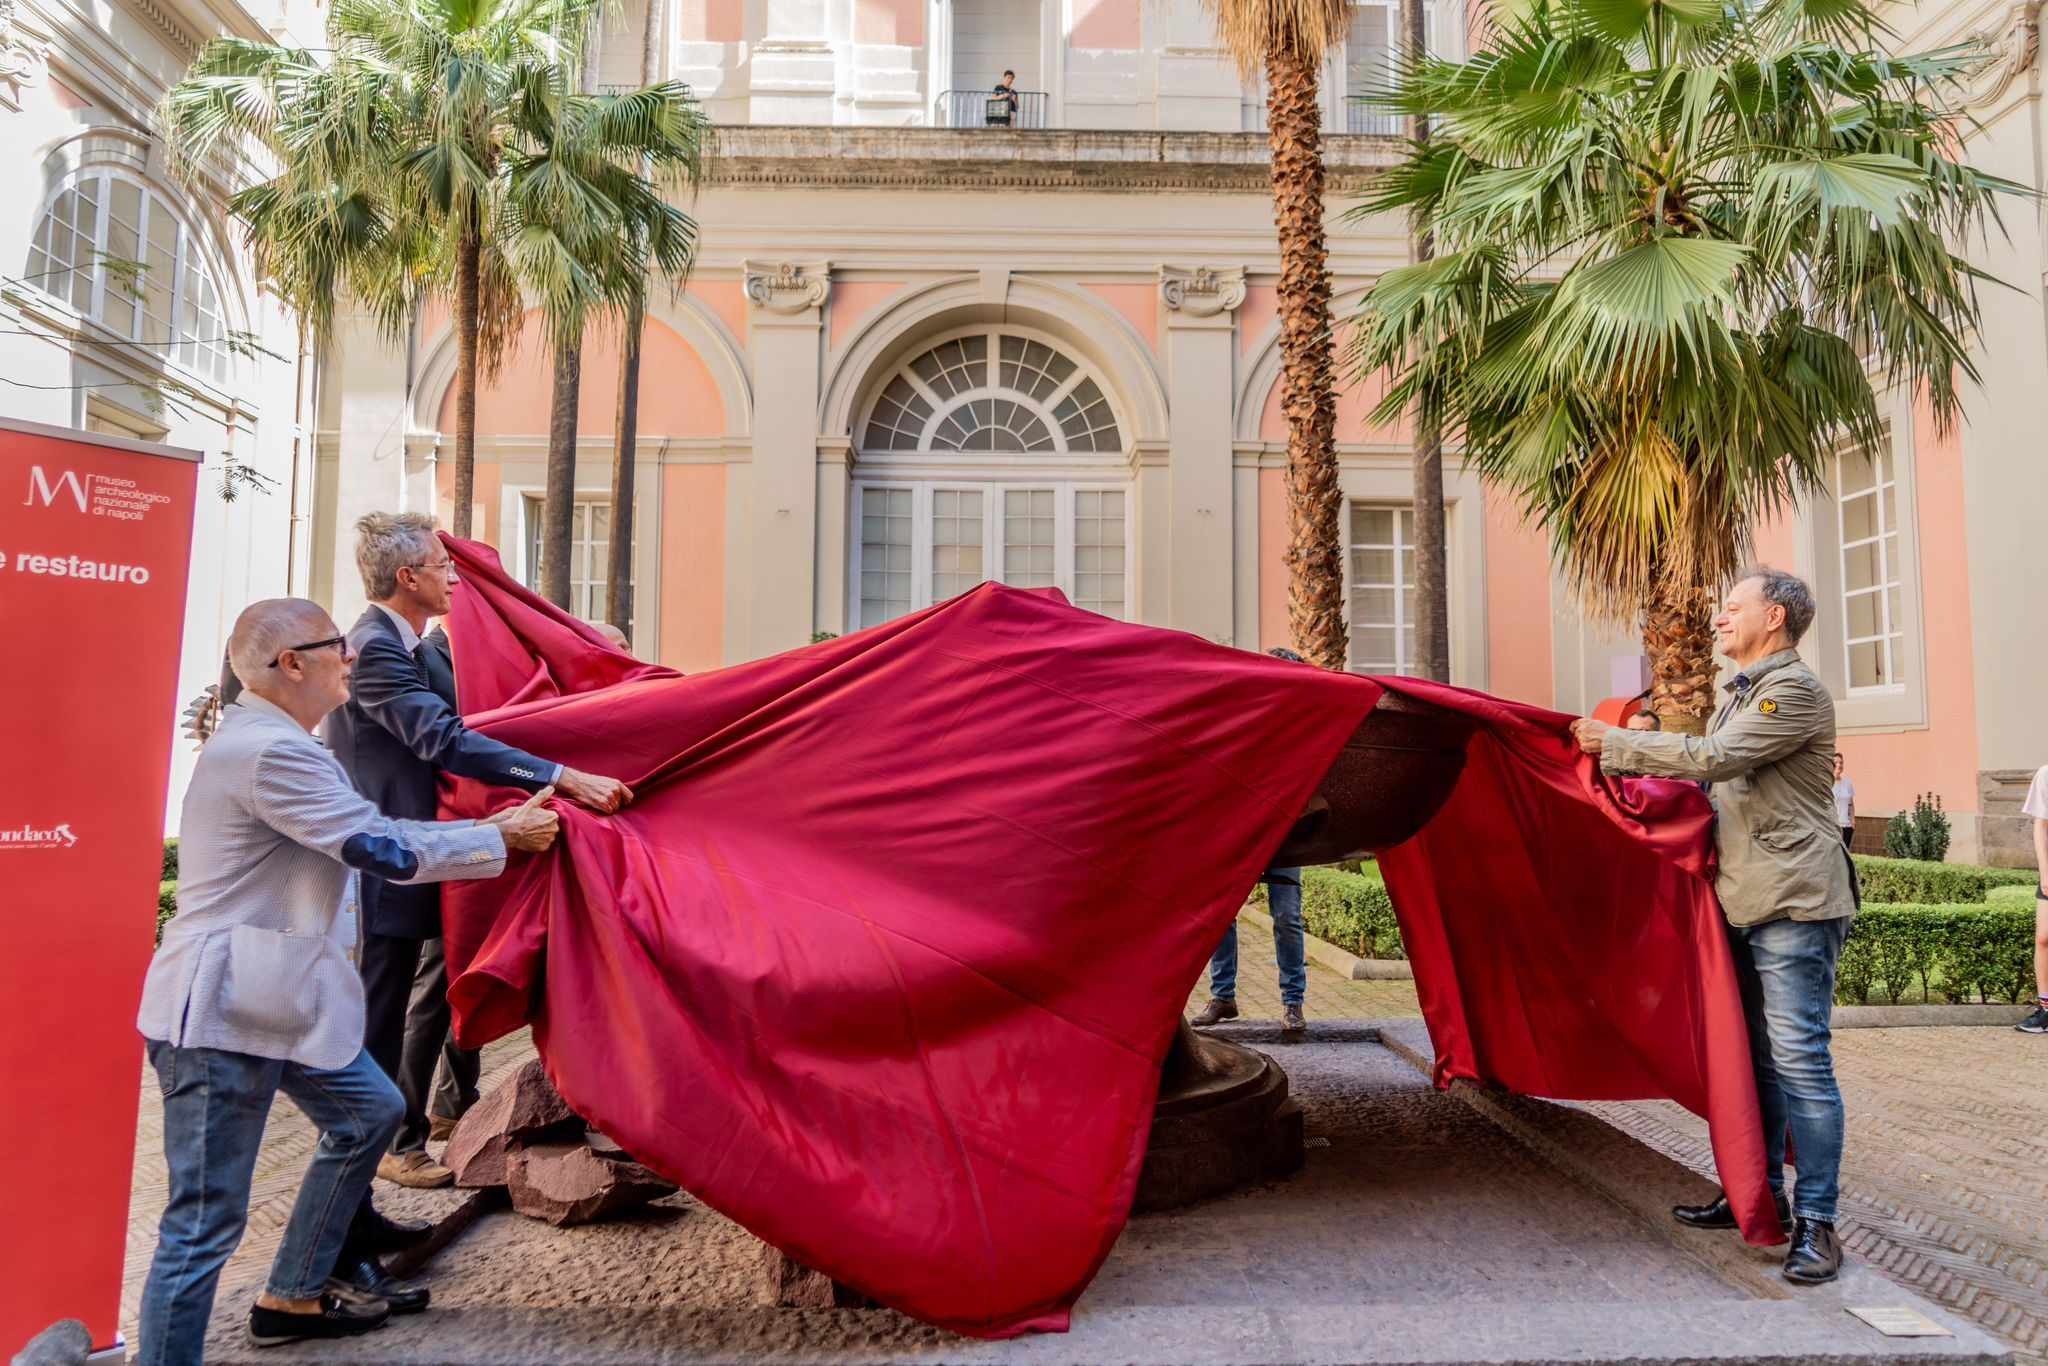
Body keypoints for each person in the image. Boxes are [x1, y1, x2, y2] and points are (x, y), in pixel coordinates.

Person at [133, 598, 560, 1359]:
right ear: (290, 663)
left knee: (369, 1114)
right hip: (221, 1013)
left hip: (275, 1001)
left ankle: (293, 1293)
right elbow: (379, 846)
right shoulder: (272, 752)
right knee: (203, 1225)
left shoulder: (279, 740)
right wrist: (496, 835)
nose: (353, 658)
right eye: (337, 647)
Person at [322, 512, 631, 1202]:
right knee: (380, 1025)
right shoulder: (374, 647)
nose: (454, 577)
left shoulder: (389, 643)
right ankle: (374, 1170)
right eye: (442, 566)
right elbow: (443, 740)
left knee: (401, 1009)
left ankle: (366, 1199)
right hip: (385, 868)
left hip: (417, 858)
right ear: (408, 578)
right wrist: (560, 775)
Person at [1571, 567, 1857, 1286]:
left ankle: (1819, 1223)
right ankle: (1756, 1198)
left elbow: (1714, 760)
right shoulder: (1746, 693)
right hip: (1744, 898)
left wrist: (1615, 745)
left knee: (1801, 1064)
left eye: (1735, 608)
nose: (1720, 619)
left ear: (1778, 619)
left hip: (1794, 902)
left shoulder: (1790, 691)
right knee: (1754, 1059)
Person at [1190, 647, 1311, 1039]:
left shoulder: (1309, 725)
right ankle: (1223, 997)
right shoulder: (1249, 714)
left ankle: (1293, 1003)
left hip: (1285, 835)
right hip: (1241, 830)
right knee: (1220, 915)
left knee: (1287, 918)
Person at [2018, 765, 2048, 1034]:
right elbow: (2040, 824)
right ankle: (2046, 1009)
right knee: (2043, 937)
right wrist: (2045, 870)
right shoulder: (2046, 774)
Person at [1833, 752, 1856, 849]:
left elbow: (1850, 804)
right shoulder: (1828, 783)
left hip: (1847, 826)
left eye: (1841, 762)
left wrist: (1852, 821)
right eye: (1836, 762)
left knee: (1846, 855)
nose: (1839, 765)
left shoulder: (1847, 782)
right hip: (1834, 826)